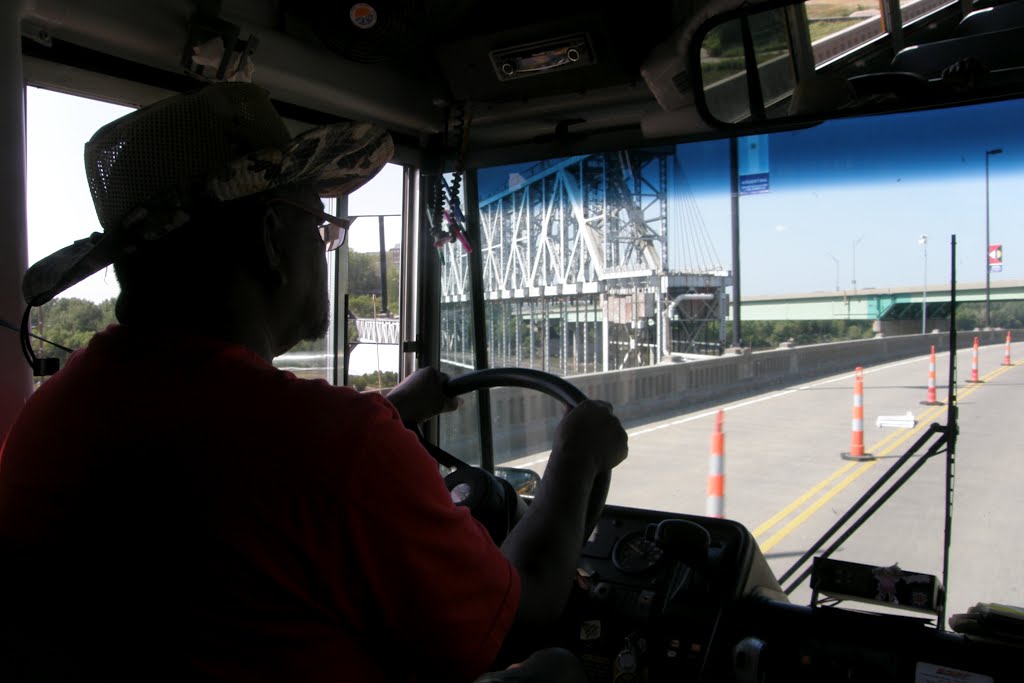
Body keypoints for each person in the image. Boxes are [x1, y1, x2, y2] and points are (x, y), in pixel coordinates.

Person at [0, 83, 628, 682]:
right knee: (557, 669)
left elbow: (219, 464)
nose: (325, 245)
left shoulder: (54, 412)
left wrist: (388, 411)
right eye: (321, 224)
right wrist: (578, 453)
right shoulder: (333, 448)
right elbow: (523, 616)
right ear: (273, 237)